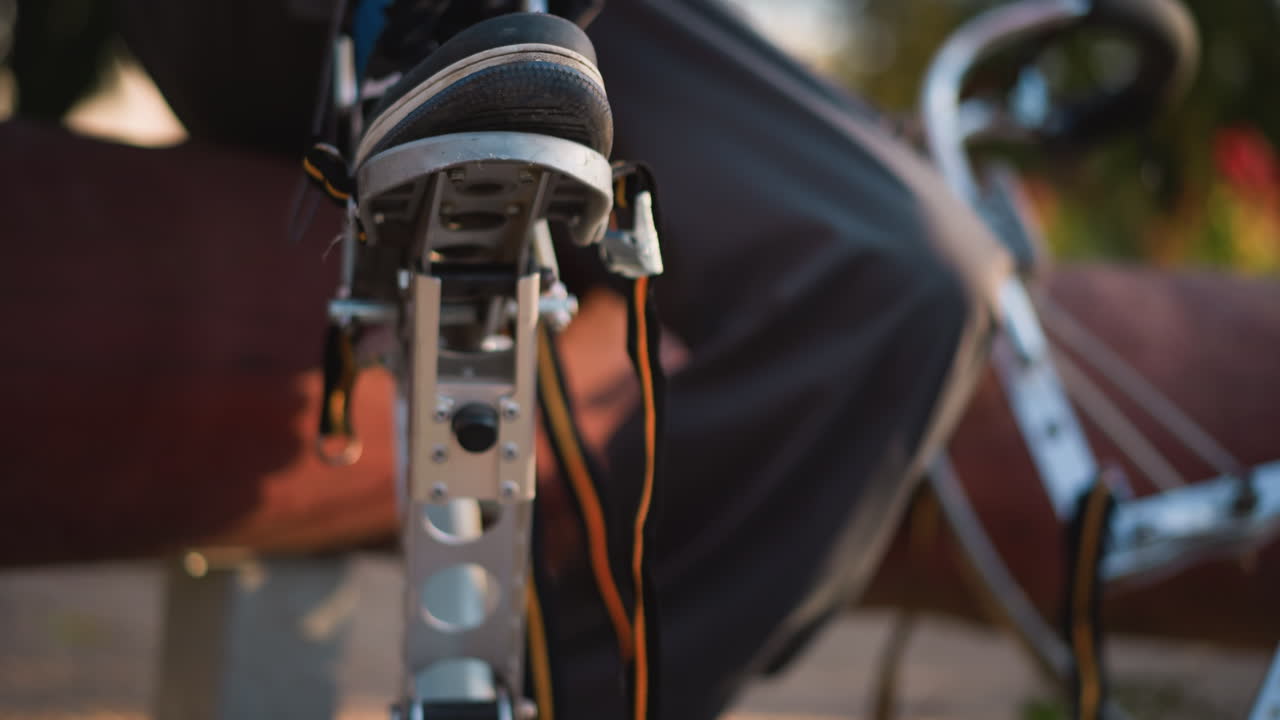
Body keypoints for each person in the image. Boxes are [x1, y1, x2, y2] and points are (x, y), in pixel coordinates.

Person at [7, 1, 1009, 717]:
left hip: (578, 33)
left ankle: (591, 682)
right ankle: (423, 48)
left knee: (919, 272)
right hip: (271, 29)